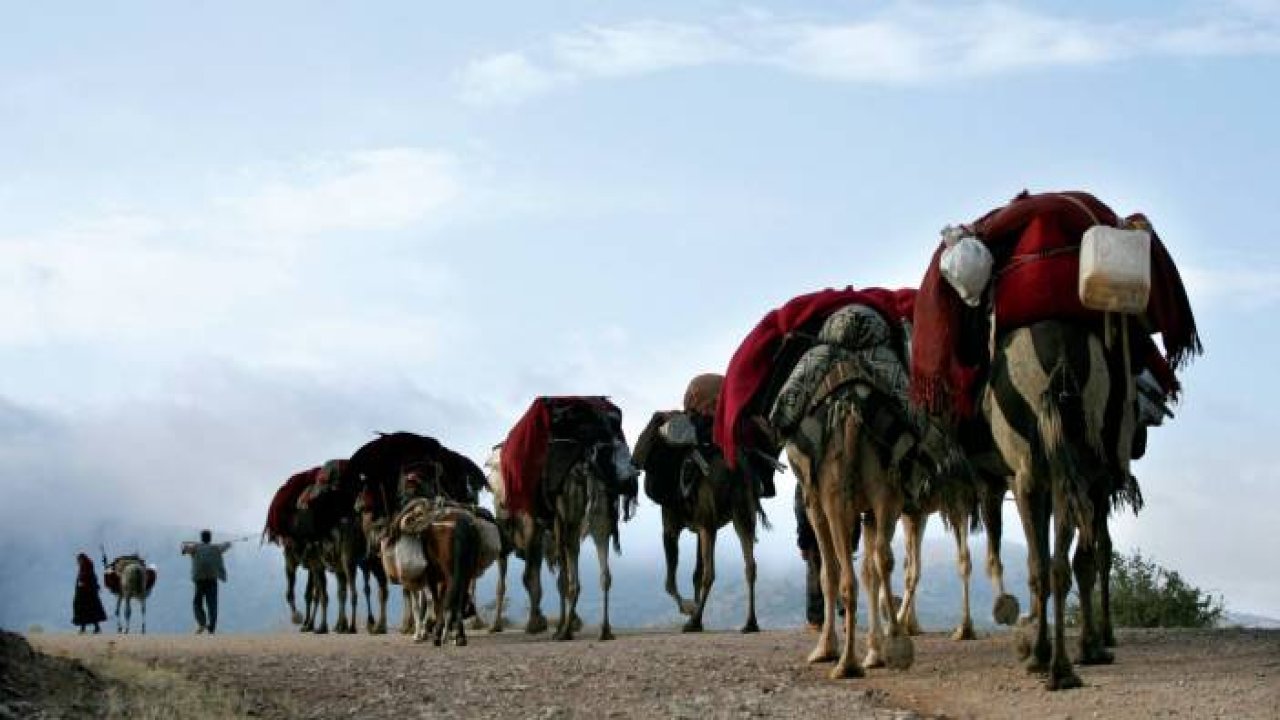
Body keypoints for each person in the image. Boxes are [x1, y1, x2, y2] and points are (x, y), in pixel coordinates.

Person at [181, 530, 231, 634]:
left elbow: (184, 548)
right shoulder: (216, 548)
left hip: (199, 581)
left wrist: (186, 545)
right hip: (212, 580)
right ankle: (211, 628)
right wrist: (228, 542)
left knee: (197, 603)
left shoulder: (195, 548)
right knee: (212, 604)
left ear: (201, 538)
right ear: (210, 538)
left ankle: (202, 623)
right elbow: (226, 546)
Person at [72, 553, 108, 634]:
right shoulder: (83, 568)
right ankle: (84, 628)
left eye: (79, 560)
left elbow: (91, 579)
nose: (78, 562)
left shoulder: (88, 568)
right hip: (82, 593)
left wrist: (84, 583)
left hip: (88, 594)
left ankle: (93, 628)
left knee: (89, 611)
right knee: (83, 611)